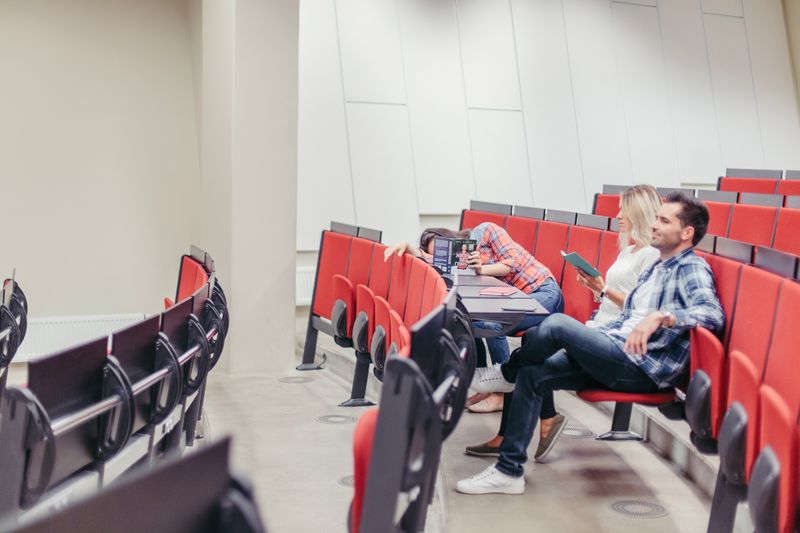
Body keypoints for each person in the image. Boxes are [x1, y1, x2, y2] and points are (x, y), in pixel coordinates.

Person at [456, 192, 724, 495]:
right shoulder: (657, 267)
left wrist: (663, 317)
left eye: (664, 220)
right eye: (657, 218)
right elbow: (629, 318)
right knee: (533, 374)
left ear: (687, 232)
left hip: (640, 365)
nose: (655, 225)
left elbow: (711, 313)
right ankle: (509, 472)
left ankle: (505, 375)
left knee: (553, 324)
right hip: (615, 347)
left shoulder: (690, 267)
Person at [464, 184, 662, 461]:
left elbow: (641, 306)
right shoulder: (627, 251)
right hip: (599, 328)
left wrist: (603, 289)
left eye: (623, 210)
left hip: (616, 341)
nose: (617, 215)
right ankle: (522, 433)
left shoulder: (652, 255)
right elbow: (609, 299)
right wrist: (595, 287)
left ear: (638, 213)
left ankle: (506, 378)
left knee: (551, 328)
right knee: (533, 339)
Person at [384, 222, 565, 440]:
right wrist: (412, 250)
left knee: (492, 324)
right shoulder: (460, 257)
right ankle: (491, 385)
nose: (443, 256)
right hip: (513, 297)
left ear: (453, 239)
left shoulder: (487, 231)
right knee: (471, 321)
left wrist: (482, 269)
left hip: (543, 292)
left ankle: (499, 388)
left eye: (443, 249)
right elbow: (438, 263)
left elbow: (511, 264)